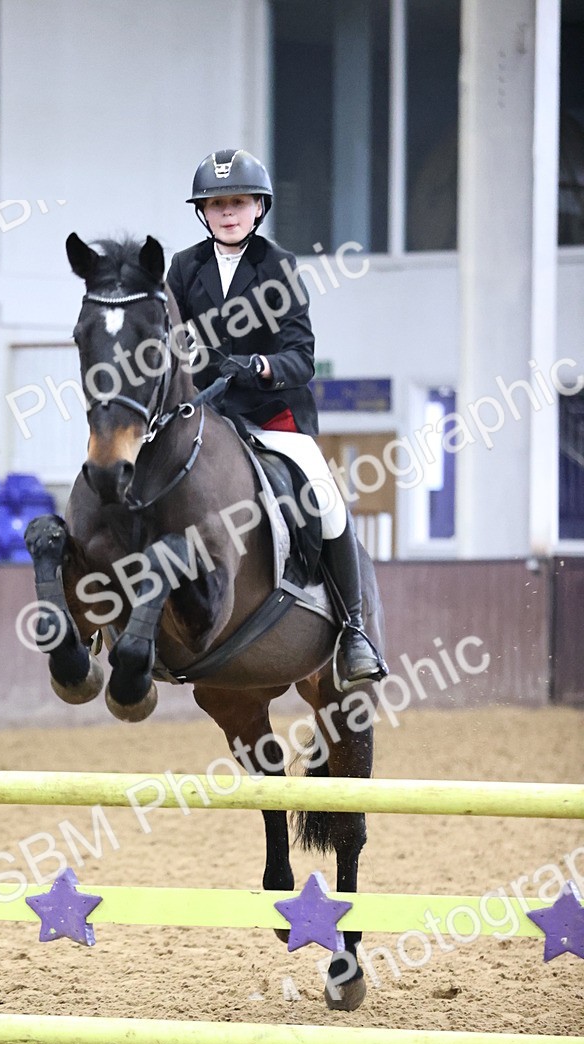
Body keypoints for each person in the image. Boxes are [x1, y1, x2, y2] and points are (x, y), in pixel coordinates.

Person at [166, 148, 386, 691]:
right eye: (216, 204)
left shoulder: (277, 266)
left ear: (258, 207)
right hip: (205, 415)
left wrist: (259, 366)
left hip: (269, 414)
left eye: (237, 202)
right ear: (203, 212)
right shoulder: (184, 267)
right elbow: (169, 341)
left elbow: (300, 356)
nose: (227, 213)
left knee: (323, 496)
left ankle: (354, 629)